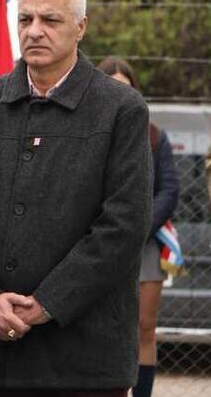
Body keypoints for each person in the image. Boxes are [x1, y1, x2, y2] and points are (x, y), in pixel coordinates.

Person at [0, 0, 152, 396]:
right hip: (2, 352)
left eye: (50, 20)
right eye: (25, 19)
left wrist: (48, 303)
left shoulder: (121, 110)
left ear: (80, 27)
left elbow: (124, 223)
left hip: (87, 353)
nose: (34, 31)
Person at [97, 57, 179, 397]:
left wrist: (136, 227)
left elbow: (169, 190)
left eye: (126, 87)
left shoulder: (155, 136)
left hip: (143, 247)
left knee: (144, 329)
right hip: (99, 246)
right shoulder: (88, 135)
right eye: (113, 86)